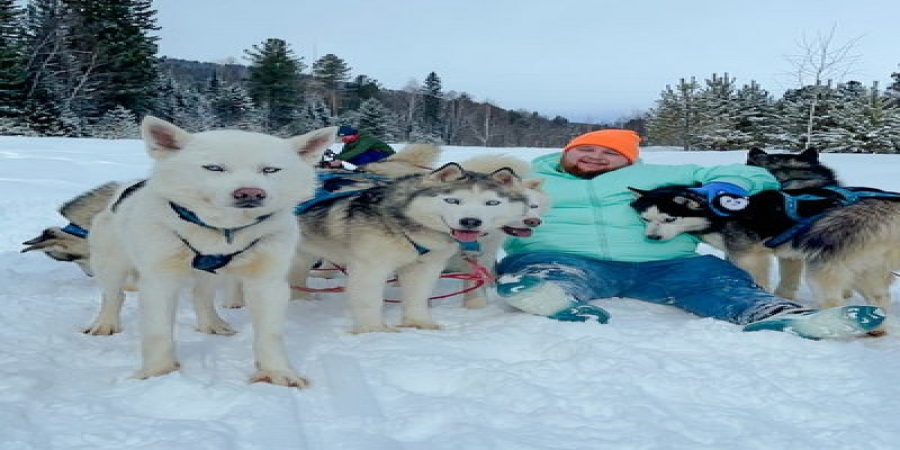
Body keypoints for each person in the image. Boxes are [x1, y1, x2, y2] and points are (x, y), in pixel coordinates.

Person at [494, 129, 885, 340]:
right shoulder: (525, 176)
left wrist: (727, 184)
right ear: (568, 151)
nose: (595, 157)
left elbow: (754, 174)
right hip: (563, 254)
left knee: (719, 278)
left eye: (609, 153)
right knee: (546, 268)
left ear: (628, 161)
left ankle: (781, 315)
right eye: (587, 150)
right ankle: (549, 295)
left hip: (666, 262)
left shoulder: (653, 176)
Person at [326, 125, 396, 169]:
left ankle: (367, 171)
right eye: (342, 137)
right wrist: (335, 159)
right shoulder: (349, 142)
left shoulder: (366, 139)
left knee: (361, 157)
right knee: (350, 158)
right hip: (370, 154)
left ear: (352, 135)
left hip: (387, 156)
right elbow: (344, 153)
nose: (343, 139)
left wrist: (340, 159)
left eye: (345, 137)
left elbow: (357, 150)